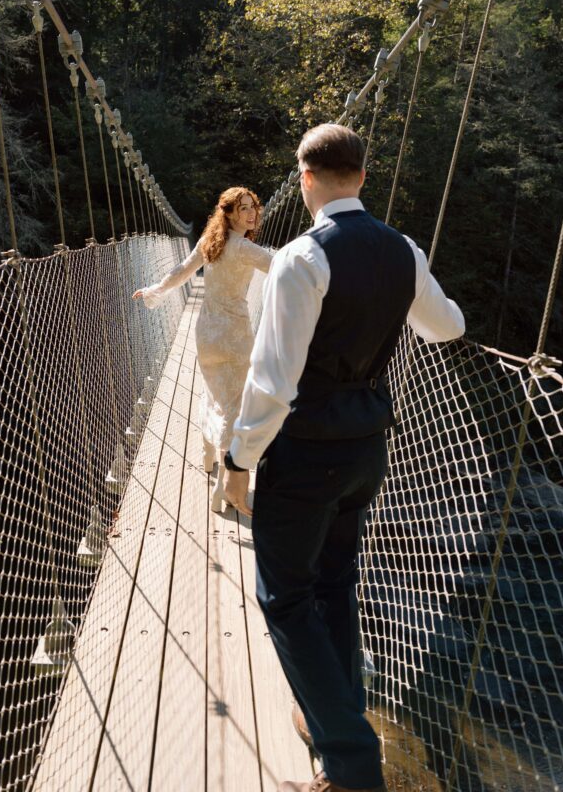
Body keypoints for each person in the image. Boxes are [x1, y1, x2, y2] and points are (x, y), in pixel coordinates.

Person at [222, 124, 465, 792]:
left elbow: (272, 382)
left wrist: (238, 460)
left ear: (303, 180)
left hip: (304, 455)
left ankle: (352, 765)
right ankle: (335, 713)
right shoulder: (402, 250)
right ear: (361, 177)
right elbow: (447, 327)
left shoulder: (301, 259)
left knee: (283, 597)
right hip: (366, 448)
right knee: (333, 584)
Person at [133, 186, 273, 512]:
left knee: (215, 396)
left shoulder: (210, 244)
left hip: (207, 335)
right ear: (229, 214)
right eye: (243, 209)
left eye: (254, 207)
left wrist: (154, 290)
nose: (252, 214)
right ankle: (223, 485)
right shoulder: (246, 250)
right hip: (237, 338)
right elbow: (284, 265)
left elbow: (180, 272)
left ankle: (208, 450)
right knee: (236, 408)